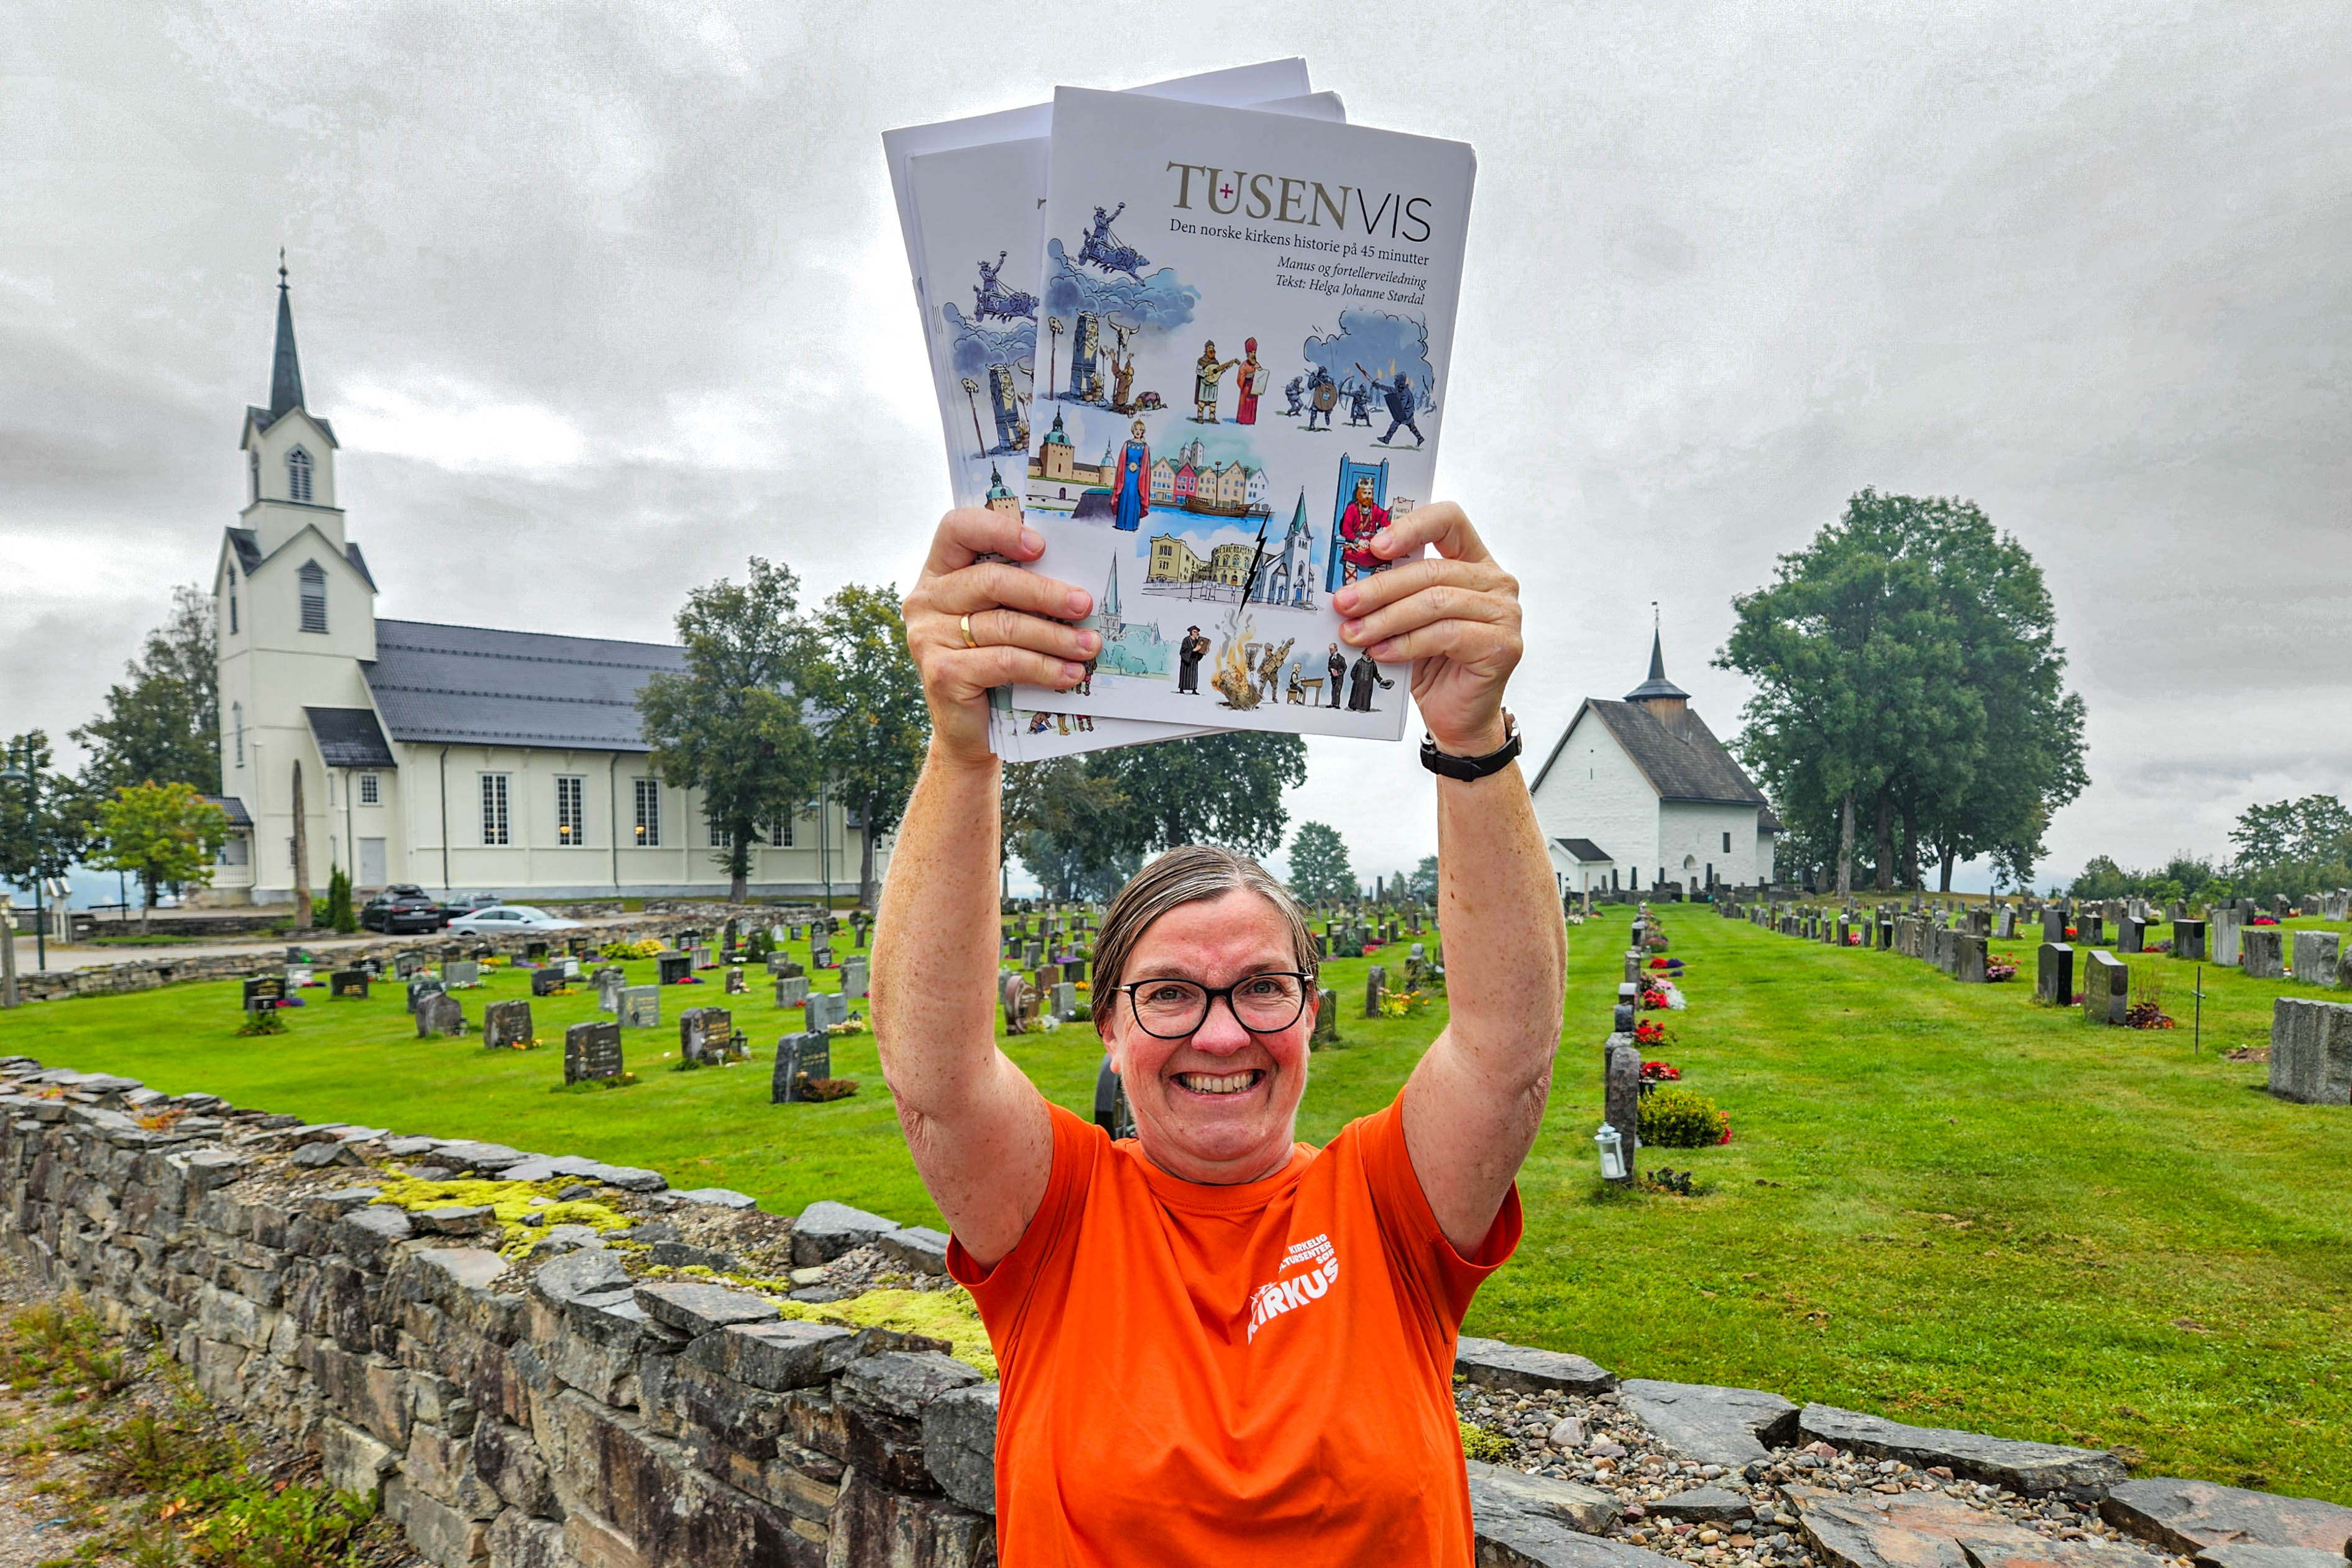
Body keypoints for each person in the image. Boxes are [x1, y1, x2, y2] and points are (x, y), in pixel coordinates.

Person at [878, 497, 1559, 1566]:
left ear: (1309, 1008)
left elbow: (1505, 1055)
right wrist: (963, 748)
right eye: (1168, 994)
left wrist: (1471, 736)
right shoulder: (1056, 1215)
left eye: (1260, 986)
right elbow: (937, 1079)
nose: (1221, 1033)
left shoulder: (1387, 1205)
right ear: (1109, 1025)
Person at [1337, 472, 1390, 584]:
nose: (1367, 496)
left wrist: (1393, 512)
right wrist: (1359, 541)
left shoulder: (1375, 508)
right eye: (1365, 493)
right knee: (1350, 558)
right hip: (1357, 542)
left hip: (1372, 543)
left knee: (1383, 558)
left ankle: (1375, 587)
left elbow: (1384, 520)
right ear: (1360, 494)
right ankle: (1351, 587)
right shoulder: (1351, 509)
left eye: (1370, 493)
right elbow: (1346, 530)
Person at [1110, 419, 1151, 533]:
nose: (1138, 432)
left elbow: (1145, 466)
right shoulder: (1127, 444)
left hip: (1138, 477)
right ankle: (1120, 524)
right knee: (1124, 496)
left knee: (1134, 498)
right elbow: (1122, 462)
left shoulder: (1145, 447)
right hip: (1126, 475)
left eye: (1140, 430)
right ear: (1133, 430)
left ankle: (1132, 526)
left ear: (1143, 432)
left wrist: (1141, 478)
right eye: (1136, 429)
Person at [1192, 340, 1240, 423]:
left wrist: (1227, 366)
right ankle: (1200, 417)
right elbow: (1198, 371)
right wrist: (1207, 373)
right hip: (1205, 384)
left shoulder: (1216, 362)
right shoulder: (1202, 361)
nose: (1211, 350)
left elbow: (1218, 372)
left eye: (1213, 348)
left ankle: (1212, 418)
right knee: (1202, 402)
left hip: (1213, 385)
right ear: (1206, 350)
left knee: (1213, 403)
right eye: (1210, 348)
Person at [1235, 337, 1266, 424]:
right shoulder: (1244, 365)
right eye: (1251, 352)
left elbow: (1261, 375)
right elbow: (1240, 378)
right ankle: (1242, 420)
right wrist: (1248, 376)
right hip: (1246, 389)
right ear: (1247, 354)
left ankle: (1251, 420)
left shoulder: (1256, 364)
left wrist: (1260, 373)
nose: (1253, 354)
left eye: (1254, 353)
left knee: (1253, 405)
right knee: (1245, 404)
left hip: (1254, 389)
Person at [1177, 625, 1209, 694]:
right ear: (1191, 632)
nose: (1196, 633)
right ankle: (1182, 689)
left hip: (1194, 661)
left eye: (1197, 632)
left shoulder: (1198, 641)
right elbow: (1183, 651)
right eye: (1194, 632)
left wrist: (1204, 652)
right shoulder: (1186, 640)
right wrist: (1194, 650)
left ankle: (1194, 689)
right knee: (1185, 674)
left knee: (1194, 675)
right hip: (1186, 661)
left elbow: (1199, 652)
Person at [1325, 640, 1346, 708]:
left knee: (1338, 690)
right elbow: (1329, 667)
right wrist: (1331, 670)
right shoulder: (1330, 658)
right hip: (1333, 677)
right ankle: (1333, 703)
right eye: (1330, 649)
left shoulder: (1341, 658)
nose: (1330, 651)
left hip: (1339, 678)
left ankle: (1337, 704)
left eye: (1331, 649)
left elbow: (1345, 667)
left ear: (1335, 649)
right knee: (1333, 690)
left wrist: (1338, 673)